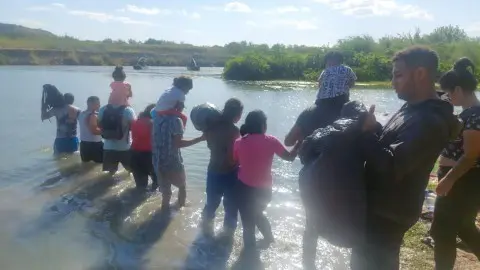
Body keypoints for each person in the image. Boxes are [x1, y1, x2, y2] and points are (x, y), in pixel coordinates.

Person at [350, 46, 460, 270]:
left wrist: (366, 134)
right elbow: (394, 141)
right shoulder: (412, 108)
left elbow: (391, 166)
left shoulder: (429, 120)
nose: (393, 82)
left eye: (398, 75)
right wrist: (376, 127)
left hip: (389, 213)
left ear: (420, 74)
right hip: (380, 207)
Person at [299, 101, 377, 270]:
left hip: (312, 186)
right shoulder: (367, 131)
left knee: (311, 227)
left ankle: (307, 265)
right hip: (344, 190)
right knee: (357, 235)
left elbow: (303, 153)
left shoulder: (326, 129)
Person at [431, 58, 480, 270]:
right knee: (464, 226)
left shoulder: (475, 116)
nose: (448, 97)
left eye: (449, 93)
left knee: (442, 232)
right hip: (464, 180)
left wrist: (448, 180)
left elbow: (471, 155)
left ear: (458, 89)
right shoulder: (469, 113)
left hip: (461, 180)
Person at [234, 110, 299, 250]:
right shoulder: (271, 141)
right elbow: (289, 157)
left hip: (244, 189)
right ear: (263, 125)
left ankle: (249, 256)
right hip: (264, 190)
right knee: (258, 214)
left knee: (247, 223)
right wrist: (300, 143)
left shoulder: (239, 143)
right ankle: (270, 240)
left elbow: (234, 162)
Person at [152, 76, 204, 212]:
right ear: (177, 105)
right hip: (171, 160)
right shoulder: (176, 121)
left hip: (157, 159)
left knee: (166, 192)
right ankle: (179, 213)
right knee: (182, 187)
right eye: (181, 106)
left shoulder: (156, 119)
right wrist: (201, 138)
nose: (182, 107)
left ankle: (163, 214)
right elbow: (178, 144)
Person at [284, 52, 354, 147]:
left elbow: (288, 143)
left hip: (321, 103)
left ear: (328, 62)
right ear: (341, 62)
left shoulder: (325, 71)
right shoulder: (347, 70)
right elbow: (351, 84)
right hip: (342, 102)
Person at [200, 98, 244, 238]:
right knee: (231, 207)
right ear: (237, 115)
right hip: (230, 173)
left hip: (213, 171)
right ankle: (226, 238)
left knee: (211, 203)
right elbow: (232, 158)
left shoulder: (211, 128)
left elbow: (211, 146)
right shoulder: (234, 131)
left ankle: (204, 233)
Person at [98, 101, 136, 175]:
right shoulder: (128, 110)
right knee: (132, 171)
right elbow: (134, 127)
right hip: (124, 148)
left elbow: (99, 124)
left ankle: (106, 185)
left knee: (110, 173)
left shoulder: (103, 109)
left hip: (108, 147)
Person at [41, 85, 81, 155]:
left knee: (57, 158)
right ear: (73, 100)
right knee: (73, 156)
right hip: (73, 139)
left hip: (60, 139)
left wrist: (44, 106)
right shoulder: (77, 110)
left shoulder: (56, 109)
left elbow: (43, 117)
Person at [130, 104, 158, 190]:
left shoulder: (134, 122)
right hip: (149, 155)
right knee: (157, 182)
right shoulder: (153, 124)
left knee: (140, 186)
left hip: (134, 154)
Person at [78, 96, 103, 163]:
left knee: (85, 166)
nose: (99, 105)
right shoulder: (94, 115)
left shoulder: (81, 114)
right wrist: (107, 132)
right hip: (95, 145)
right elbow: (94, 131)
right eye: (97, 104)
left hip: (83, 145)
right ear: (90, 104)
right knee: (99, 166)